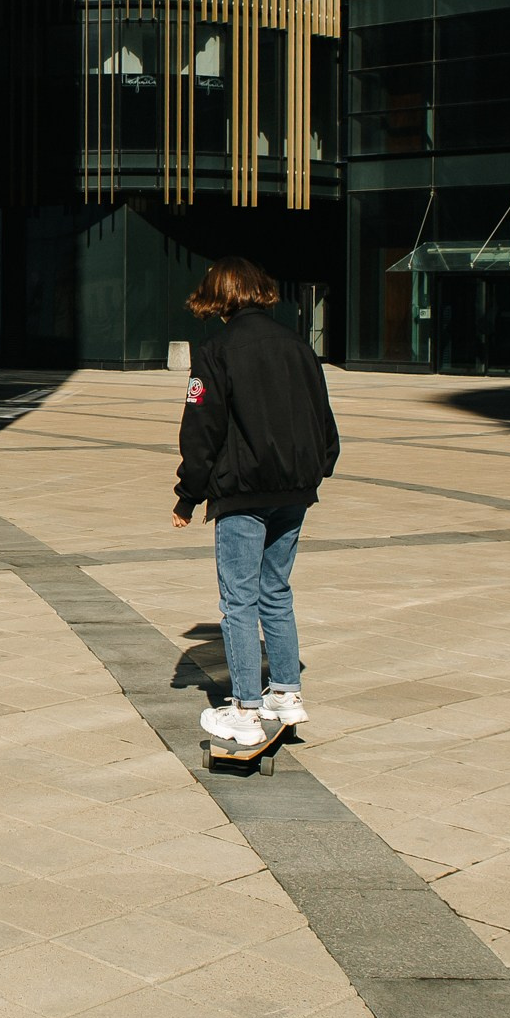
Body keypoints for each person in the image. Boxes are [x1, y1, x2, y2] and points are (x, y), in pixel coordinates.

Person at [172, 256, 340, 748]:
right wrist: (318, 468)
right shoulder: (297, 345)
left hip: (243, 492)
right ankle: (286, 692)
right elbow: (323, 418)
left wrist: (188, 494)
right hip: (294, 490)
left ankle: (244, 708)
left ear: (218, 298)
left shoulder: (218, 350)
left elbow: (201, 428)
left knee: (239, 600)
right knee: (276, 591)